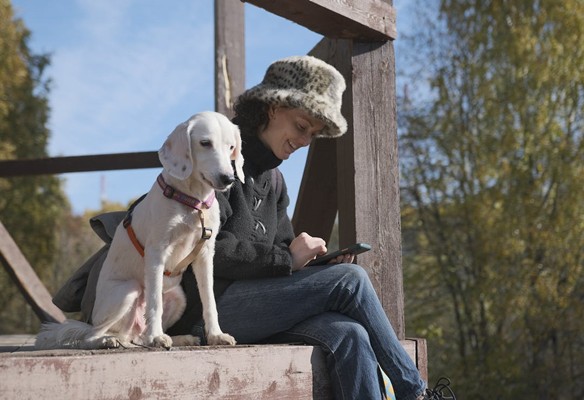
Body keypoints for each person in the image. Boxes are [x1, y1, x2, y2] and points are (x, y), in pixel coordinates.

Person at [53, 55, 453, 400]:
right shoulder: (216, 161)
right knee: (350, 281)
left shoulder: (275, 182)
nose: (305, 140)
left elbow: (281, 253)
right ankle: (414, 391)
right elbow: (209, 247)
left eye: (312, 134)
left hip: (258, 305)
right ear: (272, 108)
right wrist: (288, 259)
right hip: (203, 310)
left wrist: (315, 263)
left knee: (349, 332)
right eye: (301, 126)